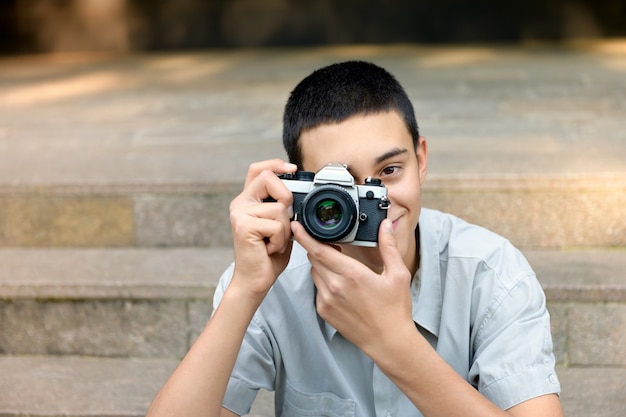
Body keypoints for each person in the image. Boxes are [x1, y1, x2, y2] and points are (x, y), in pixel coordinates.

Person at [146, 61, 563, 417]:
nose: (376, 201)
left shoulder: (490, 272)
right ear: (298, 187)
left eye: (389, 171)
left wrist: (394, 344)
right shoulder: (271, 278)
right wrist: (243, 291)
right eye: (341, 187)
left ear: (420, 160)